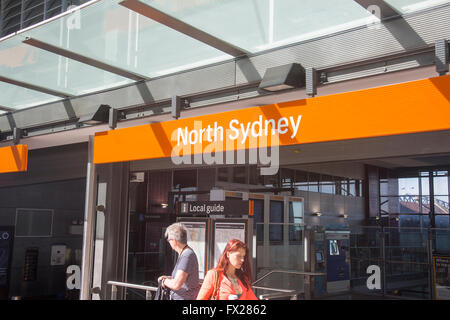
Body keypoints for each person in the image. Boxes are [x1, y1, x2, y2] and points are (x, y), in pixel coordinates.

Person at [158, 223, 200, 300]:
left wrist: (164, 281)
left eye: (168, 240)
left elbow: (176, 284)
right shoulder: (185, 254)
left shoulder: (186, 256)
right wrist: (169, 278)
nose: (168, 242)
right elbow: (183, 278)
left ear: (174, 241)